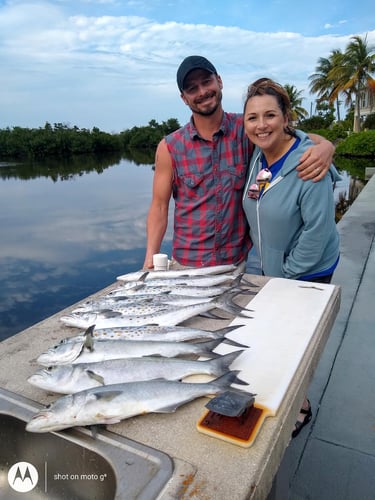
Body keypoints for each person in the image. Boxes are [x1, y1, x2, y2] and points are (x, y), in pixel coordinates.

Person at [143, 55, 335, 270]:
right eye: (192, 88)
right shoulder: (170, 147)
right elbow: (159, 206)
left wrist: (326, 146)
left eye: (207, 82)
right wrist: (151, 256)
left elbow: (291, 137)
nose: (202, 92)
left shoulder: (247, 129)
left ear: (219, 81)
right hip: (188, 264)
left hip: (237, 264)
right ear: (184, 98)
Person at [242, 77, 340, 437]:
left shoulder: (308, 164)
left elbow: (319, 231)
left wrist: (288, 274)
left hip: (307, 270)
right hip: (272, 267)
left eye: (270, 115)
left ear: (286, 118)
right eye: (253, 118)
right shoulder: (259, 155)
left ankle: (302, 405)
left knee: (296, 340)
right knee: (276, 336)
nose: (261, 124)